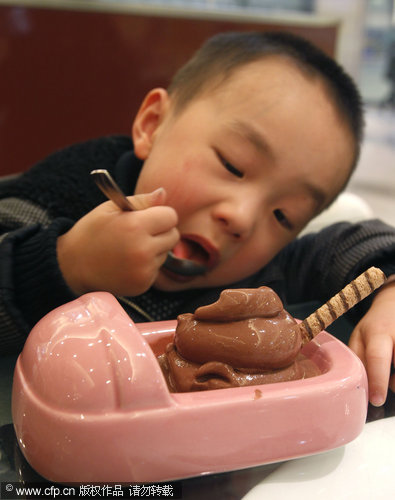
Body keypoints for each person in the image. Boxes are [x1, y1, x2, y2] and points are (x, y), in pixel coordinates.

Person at [0, 31, 394, 407]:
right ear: (152, 125)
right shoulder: (51, 200)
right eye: (233, 165)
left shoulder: (262, 277)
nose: (241, 218)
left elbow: (353, 245)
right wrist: (67, 263)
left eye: (282, 215)